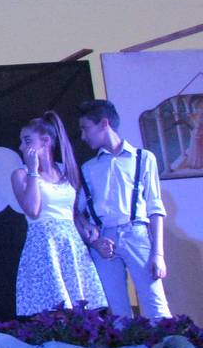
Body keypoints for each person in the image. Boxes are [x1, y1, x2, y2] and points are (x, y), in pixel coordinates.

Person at [76, 100, 173, 318]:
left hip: (136, 234)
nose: (83, 136)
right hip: (104, 240)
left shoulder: (143, 158)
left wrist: (158, 253)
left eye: (85, 128)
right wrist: (94, 240)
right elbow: (76, 213)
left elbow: (155, 207)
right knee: (117, 311)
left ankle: (167, 340)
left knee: (156, 305)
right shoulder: (88, 168)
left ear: (104, 123)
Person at [10, 111, 107, 316]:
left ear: (45, 141)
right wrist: (33, 170)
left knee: (81, 309)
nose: (21, 147)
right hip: (45, 246)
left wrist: (86, 227)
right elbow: (33, 210)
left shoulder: (66, 171)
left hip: (71, 245)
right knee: (55, 309)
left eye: (27, 140)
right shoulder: (21, 174)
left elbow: (72, 213)